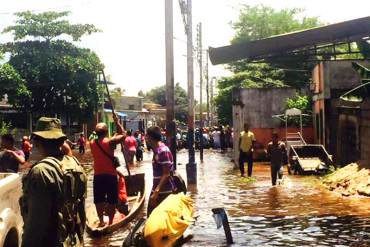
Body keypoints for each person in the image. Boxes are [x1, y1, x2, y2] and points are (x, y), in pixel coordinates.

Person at [20, 117, 87, 247]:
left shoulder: (41, 171)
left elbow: (35, 226)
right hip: (72, 240)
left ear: (37, 142)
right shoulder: (76, 165)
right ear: (61, 142)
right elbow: (81, 212)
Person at [90, 114, 126, 227]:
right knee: (112, 200)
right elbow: (123, 135)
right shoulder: (110, 142)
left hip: (98, 175)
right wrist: (117, 122)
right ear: (106, 132)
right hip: (110, 175)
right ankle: (110, 222)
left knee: (99, 199)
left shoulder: (92, 143)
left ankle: (101, 221)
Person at [146, 126, 177, 216]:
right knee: (152, 218)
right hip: (158, 190)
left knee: (162, 219)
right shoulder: (156, 150)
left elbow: (166, 174)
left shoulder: (163, 151)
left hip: (164, 192)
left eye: (146, 136)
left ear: (150, 137)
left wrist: (156, 192)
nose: (145, 139)